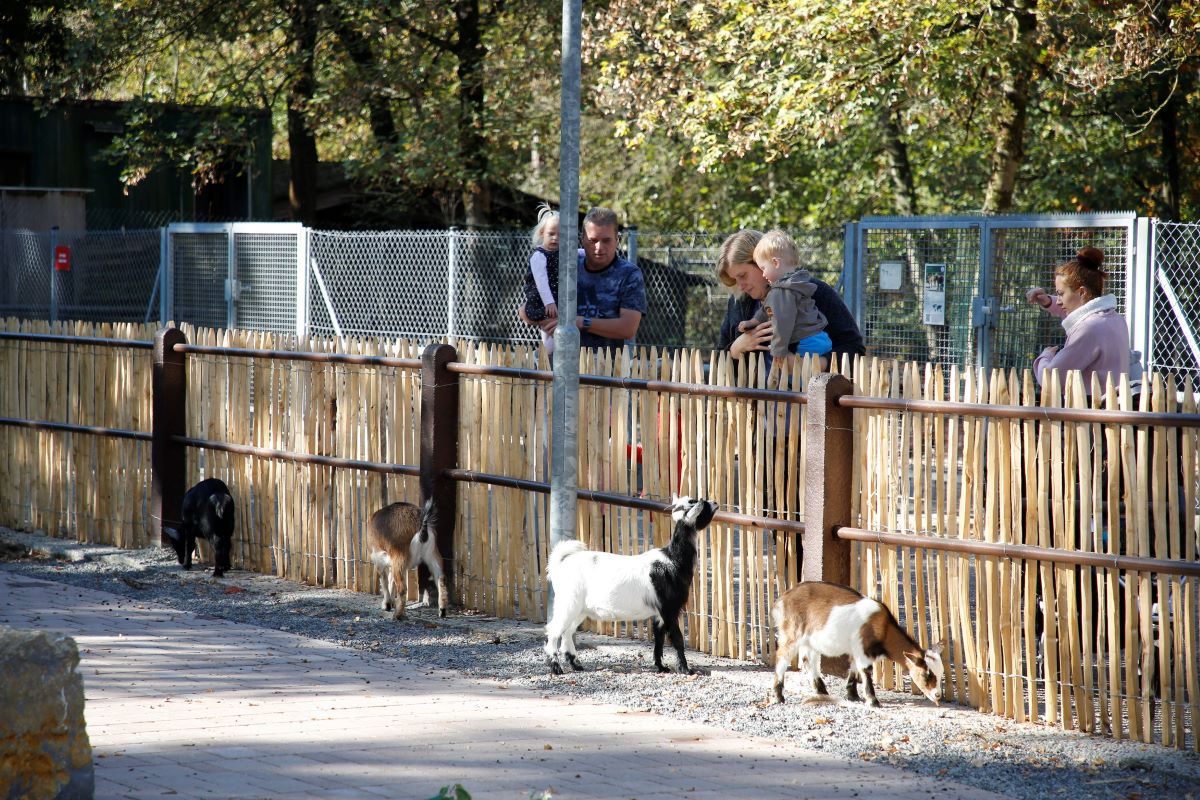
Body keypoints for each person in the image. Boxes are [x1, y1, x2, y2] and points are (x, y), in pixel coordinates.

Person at [716, 229, 865, 368]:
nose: (740, 286)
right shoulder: (739, 302)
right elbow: (719, 362)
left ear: (764, 262)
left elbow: (854, 347)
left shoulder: (813, 291)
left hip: (808, 393)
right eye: (735, 279)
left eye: (743, 276)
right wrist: (736, 349)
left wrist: (816, 365)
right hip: (758, 394)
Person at [526, 206, 647, 351]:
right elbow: (525, 310)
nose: (599, 247)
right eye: (593, 240)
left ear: (617, 240)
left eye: (606, 241)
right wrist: (550, 321)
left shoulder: (629, 274)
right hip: (561, 362)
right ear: (582, 239)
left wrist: (579, 322)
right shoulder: (566, 262)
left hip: (605, 366)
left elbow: (628, 329)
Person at [1026, 246, 1131, 392]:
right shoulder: (1114, 319)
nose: (1058, 301)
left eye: (1060, 294)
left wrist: (1045, 356)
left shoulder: (1088, 329)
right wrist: (1048, 301)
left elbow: (1050, 380)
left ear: (1081, 292)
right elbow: (1081, 313)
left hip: (1090, 410)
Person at [736, 229, 832, 368]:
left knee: (795, 378)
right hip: (820, 337)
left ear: (775, 263)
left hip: (805, 342)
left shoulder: (782, 291)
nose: (763, 274)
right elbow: (767, 309)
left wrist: (778, 349)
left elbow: (782, 321)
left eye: (763, 268)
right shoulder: (797, 283)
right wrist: (753, 322)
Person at [522, 204, 560, 355]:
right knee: (553, 339)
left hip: (553, 302)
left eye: (560, 235)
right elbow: (541, 282)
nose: (555, 238)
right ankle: (536, 358)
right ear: (542, 233)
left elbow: (577, 253)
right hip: (542, 302)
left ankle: (542, 359)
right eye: (551, 234)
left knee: (552, 339)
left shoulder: (559, 253)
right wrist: (549, 302)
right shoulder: (539, 255)